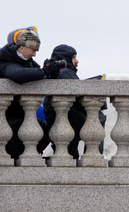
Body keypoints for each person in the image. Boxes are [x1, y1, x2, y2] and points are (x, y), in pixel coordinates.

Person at [0, 27, 64, 160]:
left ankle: (31, 156)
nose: (35, 54)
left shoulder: (24, 59)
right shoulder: (4, 59)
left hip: (20, 116)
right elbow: (16, 74)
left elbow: (36, 72)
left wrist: (51, 73)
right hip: (6, 118)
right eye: (33, 50)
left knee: (48, 131)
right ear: (22, 46)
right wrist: (45, 72)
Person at [37, 44, 107, 159]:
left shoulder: (55, 73)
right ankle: (94, 155)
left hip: (60, 120)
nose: (77, 61)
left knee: (70, 156)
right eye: (74, 57)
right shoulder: (66, 72)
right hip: (69, 121)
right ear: (66, 58)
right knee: (98, 117)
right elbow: (80, 98)